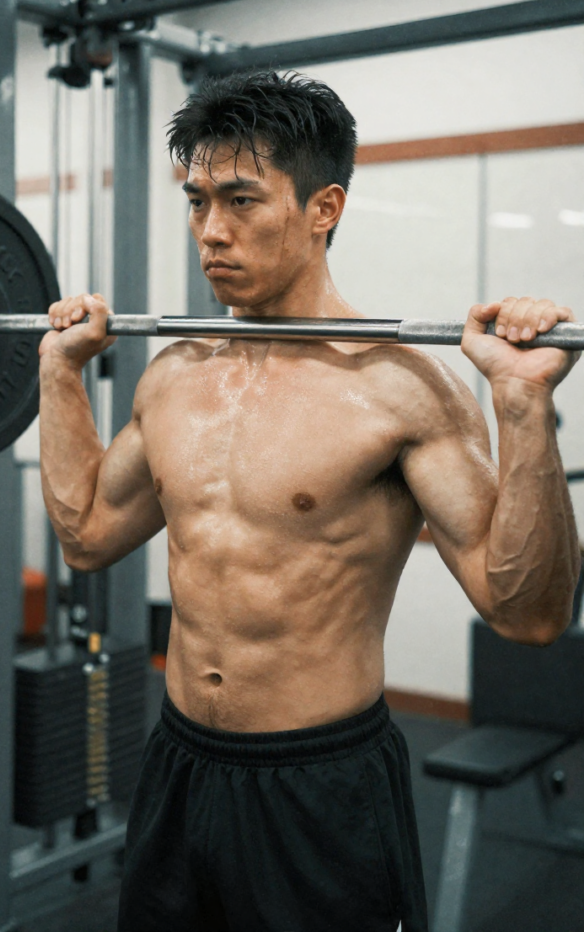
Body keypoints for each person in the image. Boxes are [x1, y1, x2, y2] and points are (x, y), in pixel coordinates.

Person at [38, 71, 580, 932]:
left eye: (242, 200)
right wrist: (59, 376)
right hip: (179, 760)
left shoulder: (402, 393)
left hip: (320, 783)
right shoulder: (174, 376)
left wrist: (521, 406)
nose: (210, 232)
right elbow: (87, 536)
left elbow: (530, 615)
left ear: (323, 207)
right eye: (197, 200)